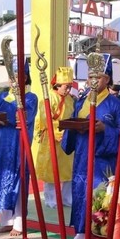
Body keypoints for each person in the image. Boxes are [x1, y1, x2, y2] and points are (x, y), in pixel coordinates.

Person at [62, 52, 120, 239]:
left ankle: (98, 236)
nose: (94, 80)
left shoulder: (116, 104)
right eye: (91, 76)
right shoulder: (81, 100)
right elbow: (74, 120)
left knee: (99, 196)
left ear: (107, 79)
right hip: (81, 155)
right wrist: (71, 126)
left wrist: (105, 129)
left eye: (99, 77)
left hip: (101, 160)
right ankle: (81, 233)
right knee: (80, 192)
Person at [0, 63, 38, 236]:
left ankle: (19, 223)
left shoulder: (30, 98)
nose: (13, 79)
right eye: (11, 75)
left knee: (19, 182)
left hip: (19, 146)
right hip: (2, 145)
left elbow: (21, 117)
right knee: (2, 180)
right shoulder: (3, 95)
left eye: (16, 75)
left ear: (24, 77)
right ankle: (6, 221)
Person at [34, 66, 75, 210]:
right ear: (57, 85)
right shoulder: (48, 97)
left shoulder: (69, 99)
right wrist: (58, 132)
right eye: (66, 86)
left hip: (67, 137)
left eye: (70, 86)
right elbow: (46, 118)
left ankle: (66, 197)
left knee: (68, 168)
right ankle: (50, 199)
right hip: (52, 136)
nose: (68, 89)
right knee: (51, 169)